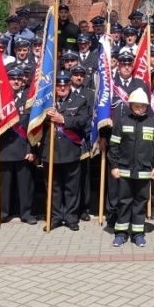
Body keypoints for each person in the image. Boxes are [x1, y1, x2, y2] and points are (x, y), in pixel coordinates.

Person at [109, 89, 154, 247]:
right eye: (136, 106)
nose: (140, 109)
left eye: (142, 106)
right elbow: (114, 146)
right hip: (124, 171)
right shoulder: (122, 122)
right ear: (130, 105)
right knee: (124, 202)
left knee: (140, 202)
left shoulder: (153, 124)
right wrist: (114, 165)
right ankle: (121, 233)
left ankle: (138, 234)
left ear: (147, 106)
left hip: (144, 171)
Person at [43, 70, 91, 231]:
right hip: (50, 150)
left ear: (70, 85)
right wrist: (45, 116)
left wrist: (62, 119)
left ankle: (71, 217)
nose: (62, 88)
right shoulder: (46, 102)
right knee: (54, 187)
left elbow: (82, 121)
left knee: (72, 187)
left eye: (65, 85)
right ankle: (56, 217)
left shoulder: (80, 101)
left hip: (70, 150)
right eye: (59, 85)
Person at [0, 68, 39, 225]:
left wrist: (32, 150)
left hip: (23, 148)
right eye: (12, 79)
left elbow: (33, 127)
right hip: (4, 148)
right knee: (4, 185)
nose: (16, 81)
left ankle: (27, 213)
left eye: (19, 78)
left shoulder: (29, 100)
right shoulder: (0, 101)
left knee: (25, 185)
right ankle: (2, 213)